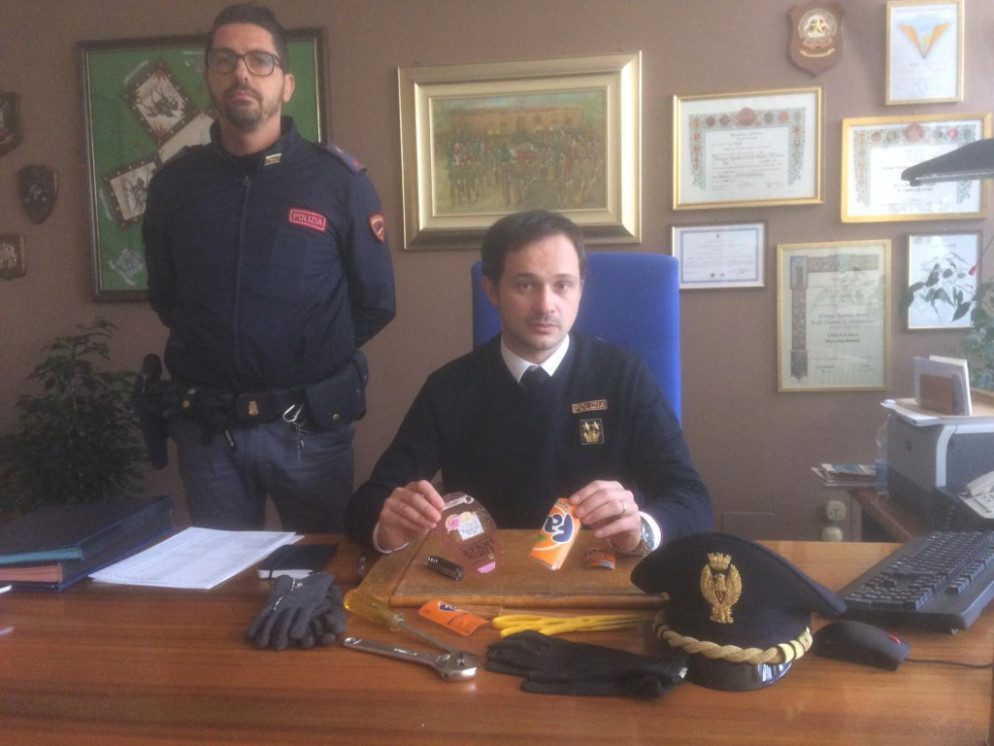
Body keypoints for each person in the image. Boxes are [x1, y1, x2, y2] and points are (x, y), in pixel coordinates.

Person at [142, 3, 395, 533]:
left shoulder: (338, 181)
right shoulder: (174, 186)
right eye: (225, 60)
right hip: (210, 432)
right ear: (208, 77)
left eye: (260, 60)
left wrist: (303, 348)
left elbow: (375, 302)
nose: (242, 73)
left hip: (308, 428)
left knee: (322, 569)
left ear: (286, 83)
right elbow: (167, 299)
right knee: (224, 579)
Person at [346, 209, 710, 554]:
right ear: (491, 290)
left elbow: (690, 497)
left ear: (580, 289)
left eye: (563, 285)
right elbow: (368, 502)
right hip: (484, 575)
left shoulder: (624, 375)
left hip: (598, 569)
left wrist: (640, 530)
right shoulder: (449, 388)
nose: (545, 305)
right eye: (525, 285)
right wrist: (388, 528)